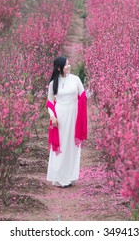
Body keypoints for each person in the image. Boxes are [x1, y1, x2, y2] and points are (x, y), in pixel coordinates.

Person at [46, 56, 87, 188]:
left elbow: (83, 95)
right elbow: (50, 102)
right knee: (61, 146)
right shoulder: (53, 83)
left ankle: (69, 177)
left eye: (69, 64)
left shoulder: (75, 79)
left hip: (74, 116)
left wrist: (80, 106)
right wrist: (52, 116)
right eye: (66, 65)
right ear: (59, 68)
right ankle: (58, 176)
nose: (69, 66)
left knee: (71, 146)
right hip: (60, 117)